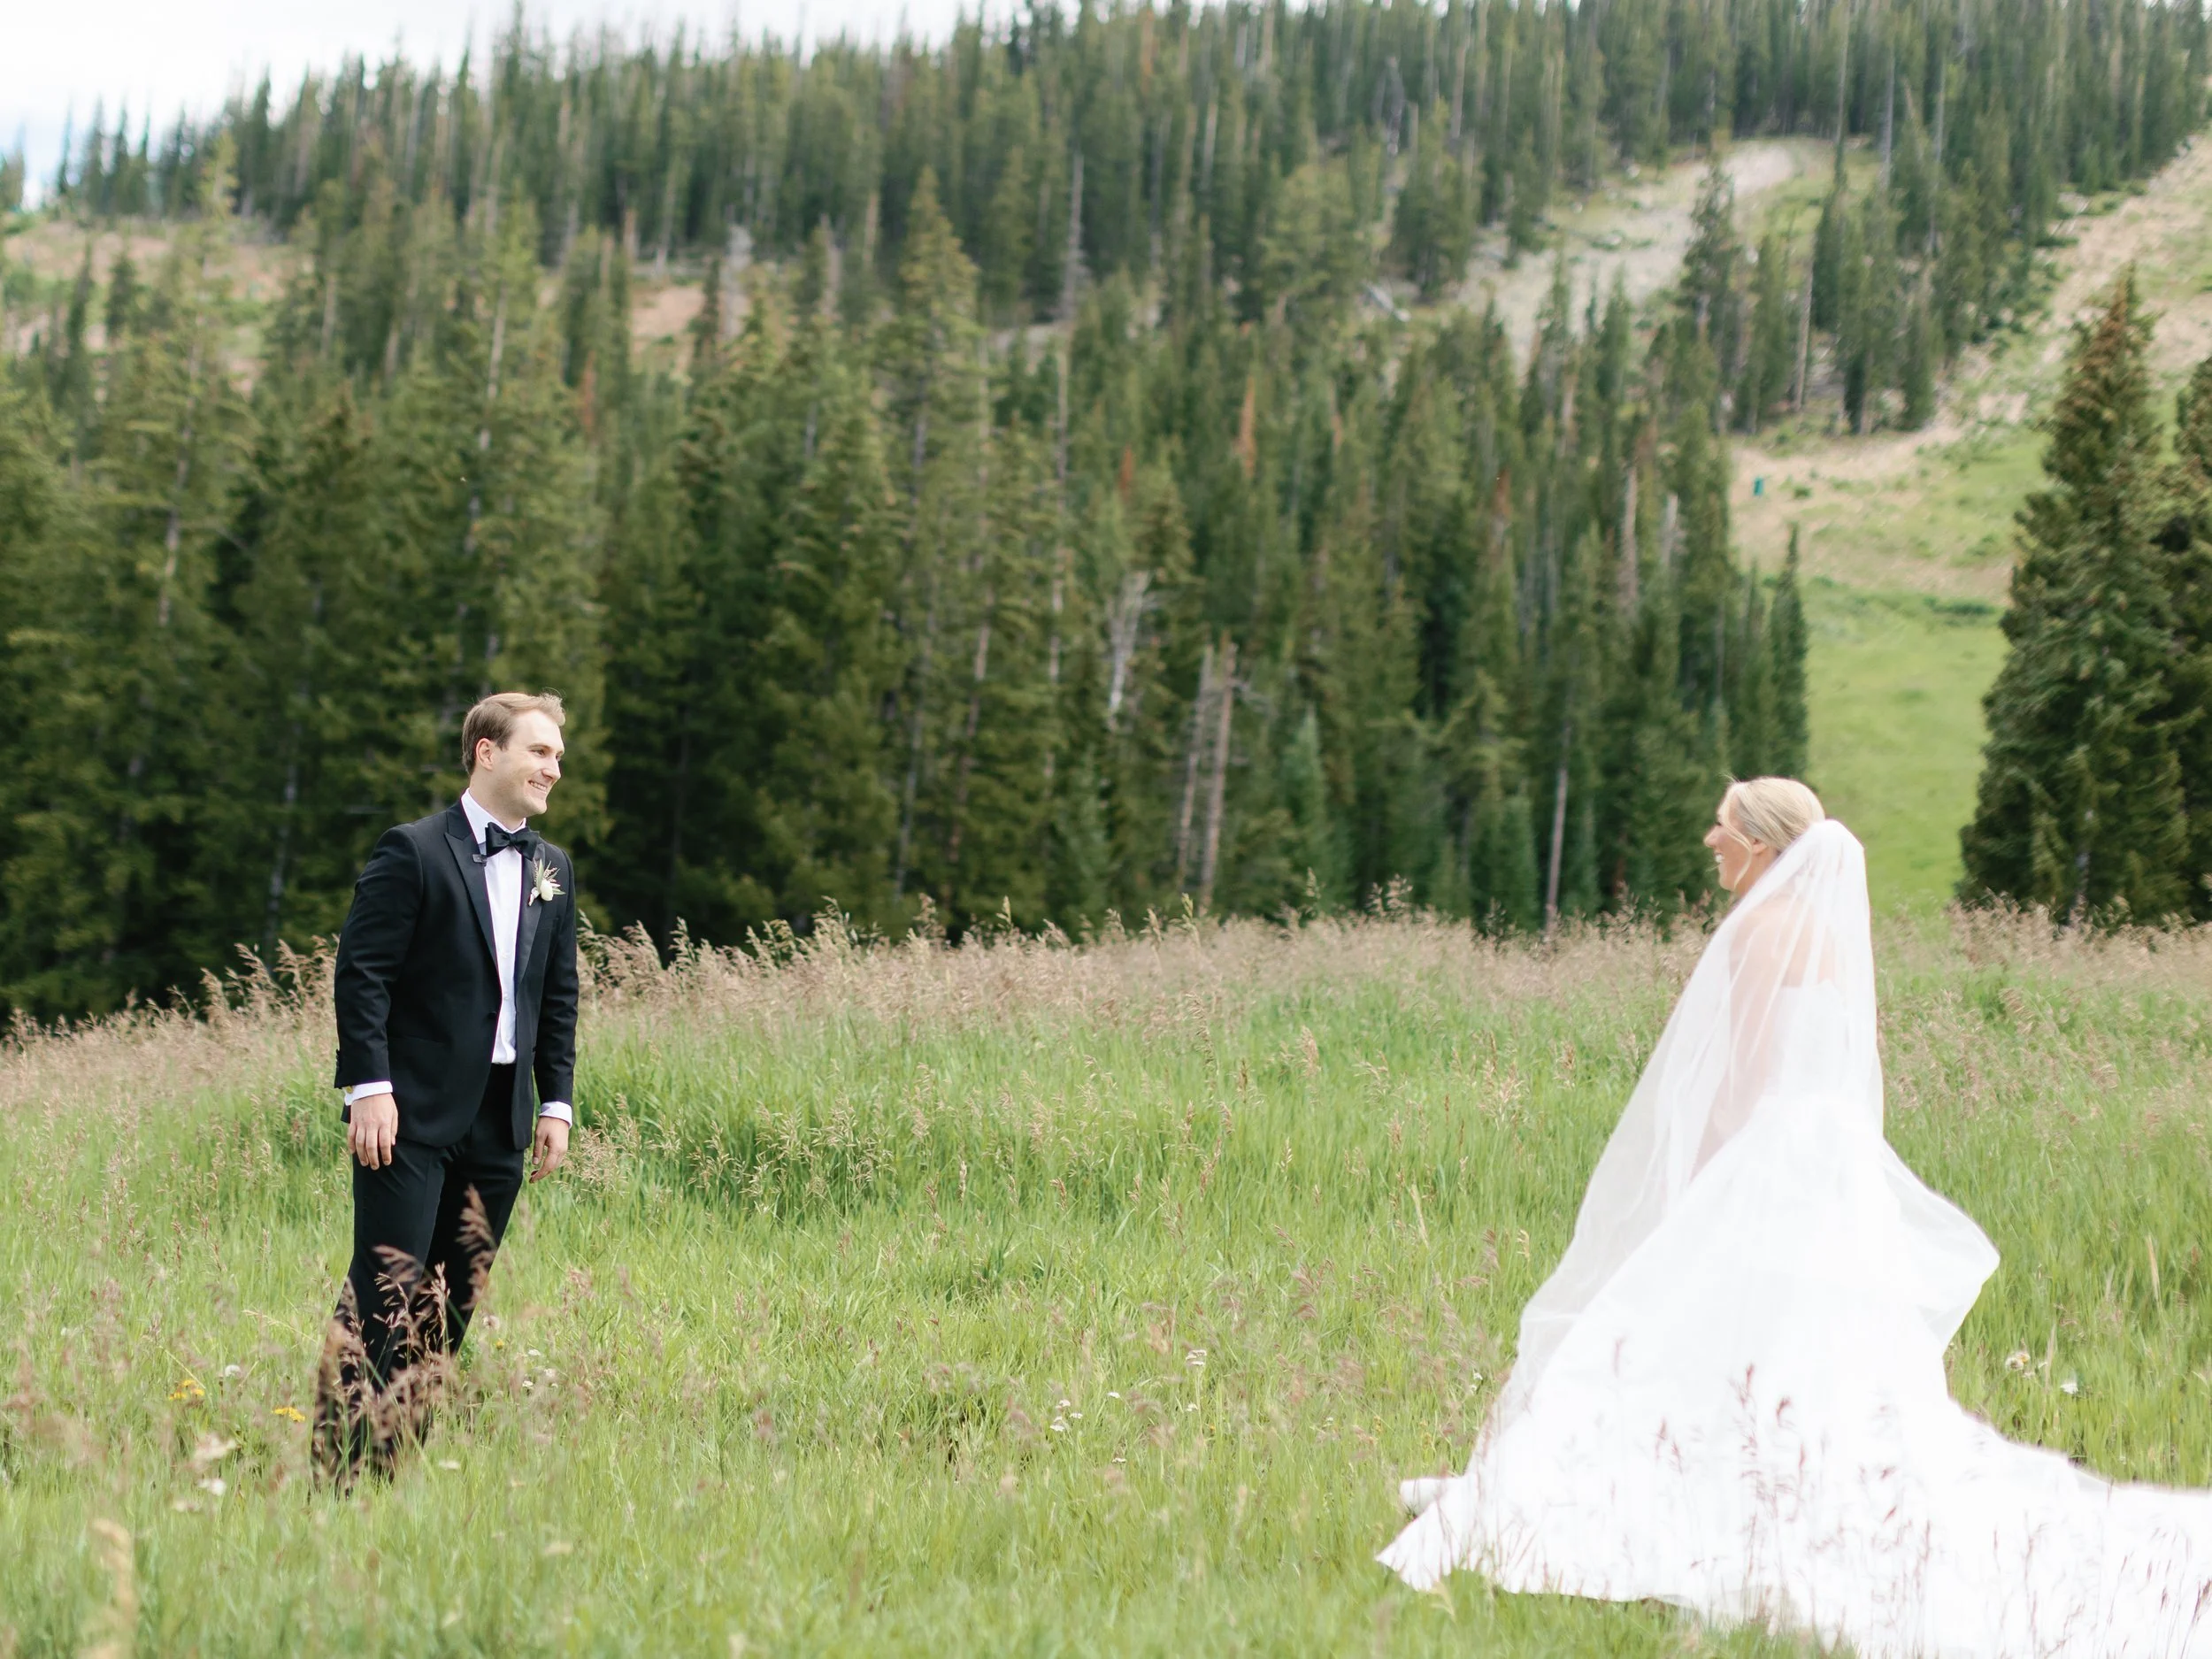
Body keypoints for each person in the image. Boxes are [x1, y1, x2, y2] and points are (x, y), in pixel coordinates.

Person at [1380, 778, 2212, 1656]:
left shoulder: (1758, 930)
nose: (1709, 836)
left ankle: (1689, 1489)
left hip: (1769, 1157)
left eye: (1724, 825)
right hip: (1826, 1163)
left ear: (1765, 847)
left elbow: (1738, 1084)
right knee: (1798, 1342)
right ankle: (1783, 1476)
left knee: (1693, 1323)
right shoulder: (1824, 935)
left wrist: (1695, 1187)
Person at [312, 692, 580, 1481]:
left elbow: (556, 993)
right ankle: (334, 1470)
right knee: (385, 1290)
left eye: (559, 756)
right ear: (486, 752)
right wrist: (369, 1085)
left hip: (500, 1122)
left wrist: (554, 1102)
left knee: (451, 1305)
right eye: (540, 752)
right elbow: (361, 974)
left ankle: (391, 1463)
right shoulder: (413, 850)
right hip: (409, 1113)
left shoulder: (552, 869)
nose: (553, 769)